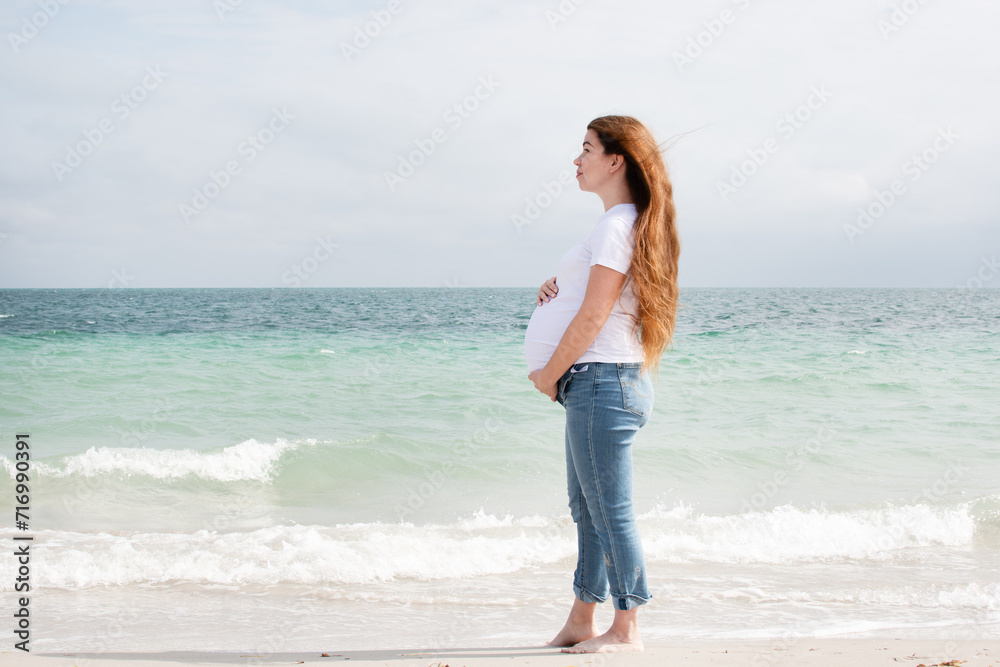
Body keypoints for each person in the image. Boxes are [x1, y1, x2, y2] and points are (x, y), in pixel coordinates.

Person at [525, 115, 680, 654]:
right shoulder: (619, 225)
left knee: (609, 511)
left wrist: (550, 374)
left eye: (587, 148)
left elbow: (593, 317)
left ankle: (627, 627)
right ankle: (581, 619)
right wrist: (557, 285)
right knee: (587, 509)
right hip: (599, 384)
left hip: (601, 383)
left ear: (616, 160)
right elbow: (592, 299)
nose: (577, 158)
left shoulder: (618, 225)